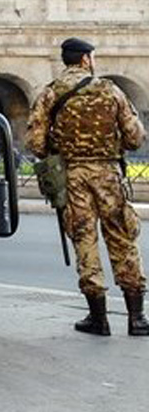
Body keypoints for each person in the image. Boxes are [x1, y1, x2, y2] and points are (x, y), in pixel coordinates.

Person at [26, 37, 148, 337]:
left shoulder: (51, 93)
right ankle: (137, 319)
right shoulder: (111, 90)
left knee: (84, 241)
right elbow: (135, 137)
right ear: (85, 60)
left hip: (73, 177)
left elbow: (36, 144)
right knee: (123, 240)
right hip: (109, 176)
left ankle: (99, 318)